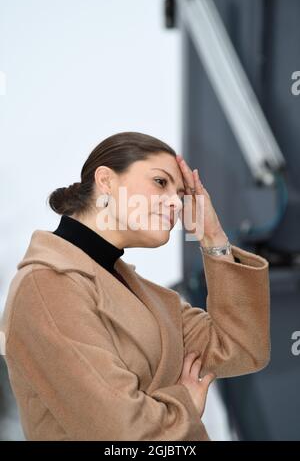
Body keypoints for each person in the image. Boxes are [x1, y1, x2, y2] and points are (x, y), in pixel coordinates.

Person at [1, 131, 270, 441]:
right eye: (160, 182)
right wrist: (184, 402)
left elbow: (242, 347)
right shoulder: (47, 285)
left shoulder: (146, 296)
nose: (176, 203)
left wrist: (212, 237)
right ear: (106, 181)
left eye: (181, 194)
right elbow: (123, 431)